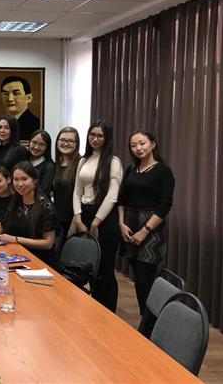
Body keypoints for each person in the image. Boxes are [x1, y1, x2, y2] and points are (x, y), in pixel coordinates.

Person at [118, 130, 175, 314]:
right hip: (129, 226)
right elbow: (121, 200)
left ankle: (152, 323)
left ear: (153, 144)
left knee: (146, 280)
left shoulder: (163, 171)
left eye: (142, 143)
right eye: (133, 145)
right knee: (138, 279)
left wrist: (145, 230)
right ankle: (147, 321)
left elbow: (165, 206)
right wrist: (121, 224)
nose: (138, 148)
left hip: (151, 230)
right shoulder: (131, 169)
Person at [70, 120, 123, 311]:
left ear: (107, 138)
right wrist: (78, 216)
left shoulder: (113, 162)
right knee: (88, 266)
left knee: (104, 269)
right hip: (84, 214)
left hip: (105, 218)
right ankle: (93, 310)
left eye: (100, 136)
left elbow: (112, 196)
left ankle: (108, 312)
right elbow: (77, 191)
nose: (95, 139)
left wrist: (96, 222)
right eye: (92, 135)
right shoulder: (83, 160)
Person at [0, 162, 57, 266]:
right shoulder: (16, 201)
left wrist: (16, 239)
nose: (20, 184)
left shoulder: (46, 207)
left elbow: (48, 243)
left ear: (35, 180)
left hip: (38, 260)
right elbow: (4, 223)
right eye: (16, 180)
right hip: (15, 254)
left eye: (24, 179)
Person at [0, 76, 40, 142]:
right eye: (5, 94)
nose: (10, 99)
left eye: (16, 93)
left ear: (28, 98)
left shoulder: (37, 125)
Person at [52, 127, 81, 239]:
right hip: (57, 219)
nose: (65, 144)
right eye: (62, 140)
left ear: (77, 144)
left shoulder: (81, 164)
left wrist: (75, 220)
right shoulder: (56, 165)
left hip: (73, 220)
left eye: (70, 141)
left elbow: (81, 196)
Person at [28, 130, 54, 198]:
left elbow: (43, 193)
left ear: (47, 147)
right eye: (34, 142)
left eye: (42, 144)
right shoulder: (23, 161)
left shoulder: (49, 167)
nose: (36, 147)